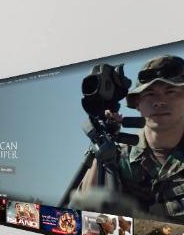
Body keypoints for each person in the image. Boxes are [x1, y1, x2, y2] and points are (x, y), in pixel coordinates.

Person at [78, 55, 184, 219]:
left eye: (170, 91)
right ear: (137, 103)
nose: (159, 101)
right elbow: (86, 213)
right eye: (149, 93)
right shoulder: (116, 157)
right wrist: (102, 143)